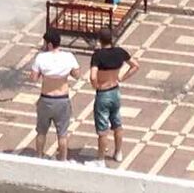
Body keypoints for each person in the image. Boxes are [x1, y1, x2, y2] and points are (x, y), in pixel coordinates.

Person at [29, 29, 81, 161]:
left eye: (45, 43)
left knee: (41, 132)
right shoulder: (68, 56)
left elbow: (33, 78)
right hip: (62, 100)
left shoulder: (41, 58)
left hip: (46, 99)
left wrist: (43, 73)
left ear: (50, 44)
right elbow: (77, 75)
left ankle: (39, 157)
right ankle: (62, 160)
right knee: (62, 134)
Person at [90, 28, 140, 163]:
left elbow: (93, 76)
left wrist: (95, 85)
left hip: (103, 92)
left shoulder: (97, 55)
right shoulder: (120, 52)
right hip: (115, 91)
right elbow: (135, 65)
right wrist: (123, 78)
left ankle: (100, 159)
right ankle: (118, 152)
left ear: (100, 40)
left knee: (102, 129)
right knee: (117, 124)